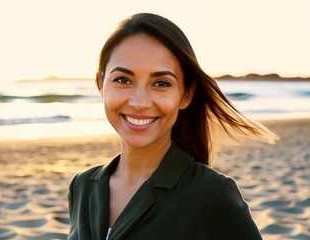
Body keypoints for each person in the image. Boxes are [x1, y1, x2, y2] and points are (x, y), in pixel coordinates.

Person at [67, 13, 276, 240]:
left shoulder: (211, 193)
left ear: (186, 94)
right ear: (100, 83)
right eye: (123, 80)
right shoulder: (82, 186)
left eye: (161, 83)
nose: (139, 102)